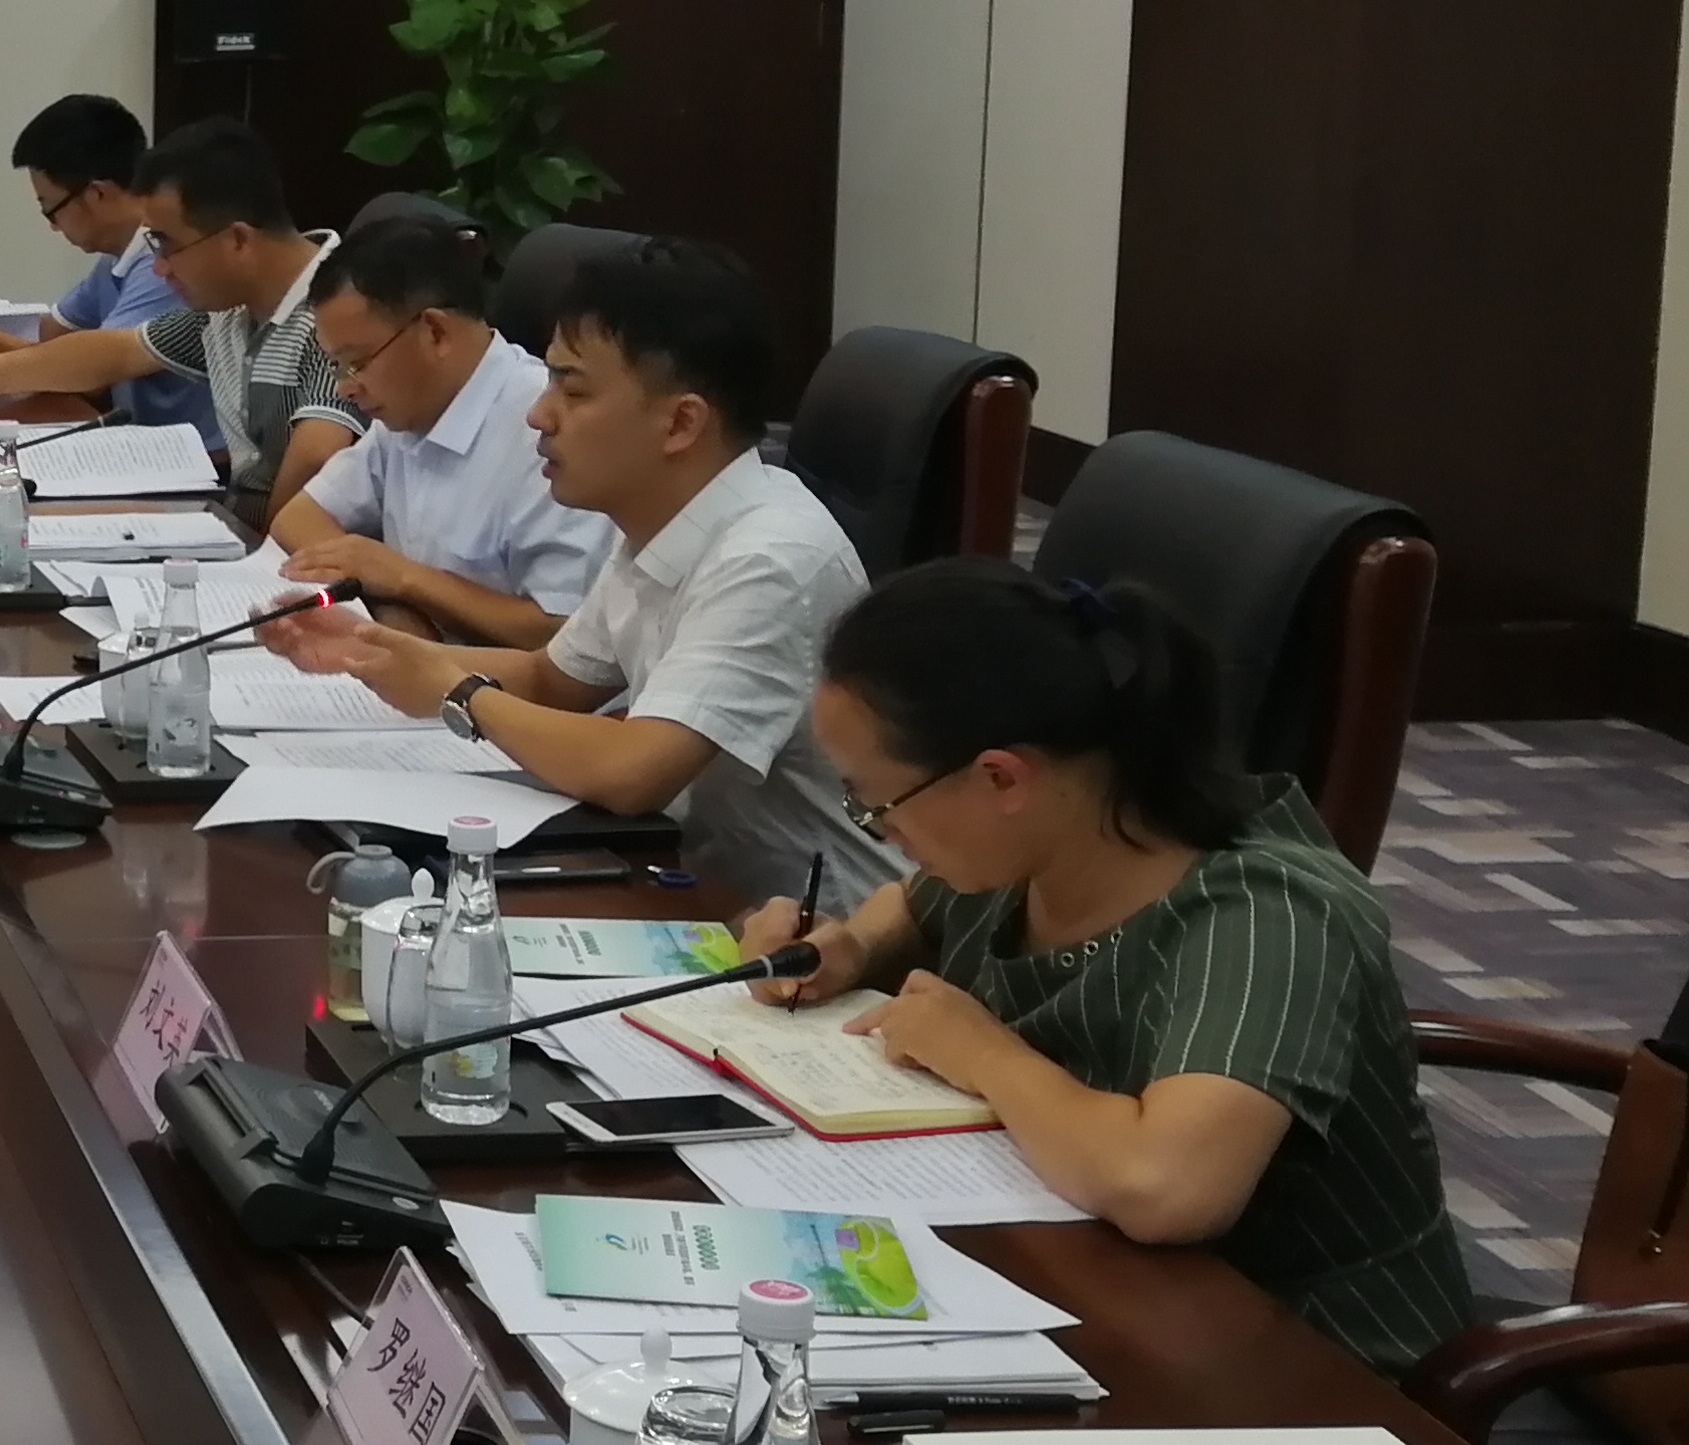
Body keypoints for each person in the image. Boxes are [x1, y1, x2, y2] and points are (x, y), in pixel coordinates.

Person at [731, 561, 1472, 1374]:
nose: (879, 833)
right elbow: (906, 910)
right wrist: (845, 948)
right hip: (1100, 1291)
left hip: (1312, 1363)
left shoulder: (1272, 918)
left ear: (1001, 776)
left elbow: (1163, 1188)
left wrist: (983, 1053)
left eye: (874, 805)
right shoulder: (1049, 837)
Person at [262, 236, 892, 906]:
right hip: (687, 882)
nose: (539, 414)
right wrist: (373, 650)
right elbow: (552, 681)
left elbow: (632, 771)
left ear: (680, 423)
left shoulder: (769, 559)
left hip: (816, 933)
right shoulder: (659, 521)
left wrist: (457, 692)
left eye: (573, 389)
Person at [0, 118, 351, 505]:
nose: (159, 267)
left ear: (237, 240)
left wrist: (261, 554)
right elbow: (115, 353)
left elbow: (316, 456)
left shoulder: (341, 314)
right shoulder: (227, 311)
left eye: (167, 244)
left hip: (278, 546)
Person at [272, 211, 610, 646]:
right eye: (338, 365)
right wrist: (393, 608)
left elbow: (561, 635)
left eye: (356, 362)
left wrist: (404, 580)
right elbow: (298, 518)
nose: (345, 387)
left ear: (434, 331)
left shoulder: (548, 429)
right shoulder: (409, 408)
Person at [0, 96, 222, 443]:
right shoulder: (115, 259)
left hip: (192, 457)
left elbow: (93, 371)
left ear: (97, 194)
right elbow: (53, 341)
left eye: (50, 209)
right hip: (138, 441)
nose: (52, 226)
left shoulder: (162, 268)